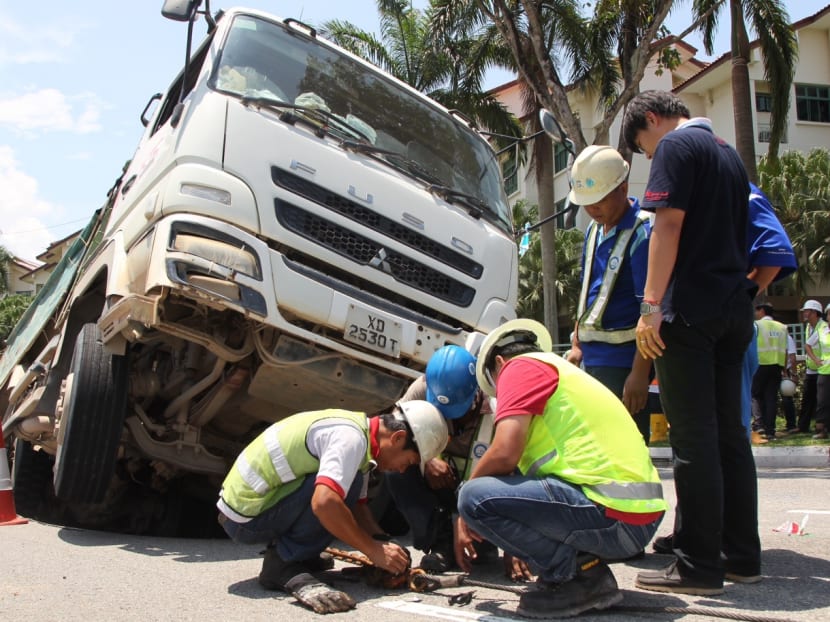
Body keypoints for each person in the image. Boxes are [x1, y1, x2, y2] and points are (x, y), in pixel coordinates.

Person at [622, 90, 760, 594]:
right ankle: (741, 554)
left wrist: (650, 307)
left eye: (645, 146)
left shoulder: (678, 149)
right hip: (733, 308)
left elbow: (668, 224)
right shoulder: (728, 153)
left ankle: (698, 565)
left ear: (653, 120)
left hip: (690, 311)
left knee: (693, 440)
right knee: (730, 438)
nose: (651, 156)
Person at [455, 319, 666, 618]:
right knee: (485, 494)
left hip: (610, 512)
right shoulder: (561, 374)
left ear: (500, 363)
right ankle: (584, 569)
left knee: (473, 497)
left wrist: (463, 509)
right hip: (634, 516)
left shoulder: (519, 368)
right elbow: (517, 485)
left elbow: (504, 452)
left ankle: (576, 577)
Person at [217, 401, 448, 614]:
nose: (400, 470)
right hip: (247, 517)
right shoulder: (351, 439)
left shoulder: (361, 436)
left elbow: (358, 507)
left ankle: (300, 553)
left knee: (349, 485)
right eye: (407, 462)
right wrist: (373, 550)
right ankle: (282, 565)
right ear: (398, 438)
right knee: (337, 491)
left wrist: (382, 540)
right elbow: (325, 503)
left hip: (253, 508)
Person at [564, 145, 653, 443]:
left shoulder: (642, 231)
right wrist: (577, 344)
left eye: (599, 200)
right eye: (586, 203)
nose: (592, 209)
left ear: (623, 187)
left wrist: (640, 372)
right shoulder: (594, 229)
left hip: (623, 365)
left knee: (622, 447)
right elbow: (588, 291)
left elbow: (650, 307)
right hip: (591, 359)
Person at [384, 345, 497, 573]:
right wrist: (429, 458)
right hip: (440, 482)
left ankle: (482, 542)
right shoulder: (422, 387)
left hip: (481, 488)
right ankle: (440, 543)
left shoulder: (496, 405)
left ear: (476, 394)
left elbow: (511, 468)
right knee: (396, 470)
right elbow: (393, 441)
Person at [751, 303, 788, 441]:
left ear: (762, 311)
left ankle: (759, 425)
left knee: (755, 395)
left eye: (757, 311)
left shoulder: (757, 325)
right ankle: (770, 431)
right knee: (771, 398)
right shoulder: (782, 327)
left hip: (760, 364)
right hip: (776, 366)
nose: (755, 313)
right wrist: (784, 369)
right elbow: (784, 350)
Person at [799, 300, 827, 433]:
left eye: (807, 311)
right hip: (812, 369)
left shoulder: (823, 328)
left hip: (823, 370)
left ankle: (821, 426)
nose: (804, 313)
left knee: (822, 400)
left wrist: (817, 360)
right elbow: (808, 346)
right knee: (808, 398)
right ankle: (803, 427)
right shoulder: (809, 327)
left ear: (815, 312)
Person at [805, 302, 830, 439]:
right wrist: (816, 360)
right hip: (825, 371)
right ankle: (822, 429)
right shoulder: (822, 330)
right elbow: (808, 345)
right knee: (822, 401)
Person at [782, 329, 799, 433]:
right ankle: (791, 425)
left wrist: (792, 373)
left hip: (779, 369)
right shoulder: (787, 338)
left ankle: (768, 426)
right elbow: (792, 357)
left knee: (769, 398)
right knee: (787, 397)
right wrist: (794, 374)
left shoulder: (785, 338)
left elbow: (791, 357)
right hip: (784, 370)